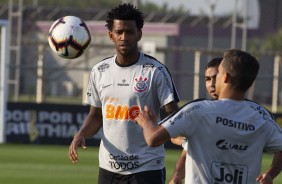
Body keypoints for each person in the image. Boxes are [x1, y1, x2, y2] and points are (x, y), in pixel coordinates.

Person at [68, 3, 179, 184]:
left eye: (129, 32)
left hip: (147, 167)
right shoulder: (99, 71)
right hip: (109, 168)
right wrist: (81, 134)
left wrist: (172, 135)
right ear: (111, 35)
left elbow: (174, 114)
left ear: (139, 34)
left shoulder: (155, 71)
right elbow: (96, 116)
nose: (124, 37)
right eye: (119, 32)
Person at [135, 49, 282, 184]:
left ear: (225, 77)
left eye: (217, 74)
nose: (212, 81)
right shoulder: (261, 118)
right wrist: (270, 174)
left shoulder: (198, 110)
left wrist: (147, 122)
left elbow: (153, 138)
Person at [169, 57, 222, 184]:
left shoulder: (249, 113)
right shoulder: (201, 112)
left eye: (216, 77)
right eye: (208, 79)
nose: (212, 84)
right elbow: (187, 148)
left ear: (227, 77)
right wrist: (176, 176)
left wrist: (270, 174)